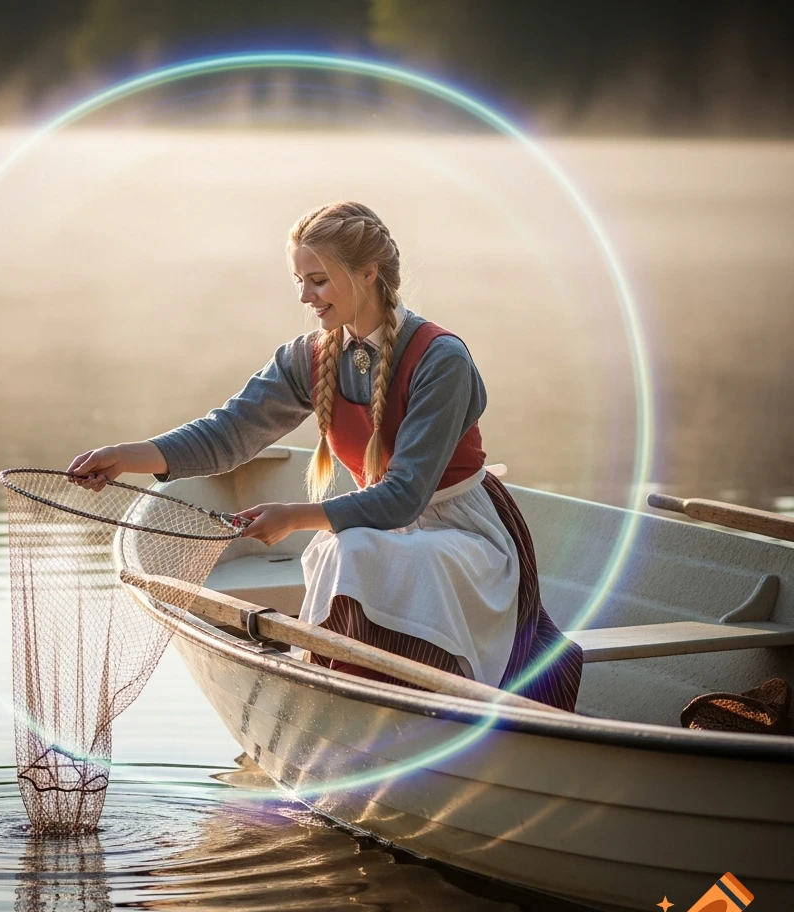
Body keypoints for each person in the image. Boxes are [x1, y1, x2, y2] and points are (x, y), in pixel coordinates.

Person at [68, 201, 582, 711]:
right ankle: (358, 702)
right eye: (298, 280)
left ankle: (403, 699)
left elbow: (404, 496)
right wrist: (125, 456)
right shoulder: (308, 358)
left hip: (465, 532)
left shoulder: (441, 359)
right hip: (378, 529)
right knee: (351, 549)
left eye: (317, 280)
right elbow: (227, 433)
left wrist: (294, 518)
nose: (303, 296)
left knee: (351, 551)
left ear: (368, 273)